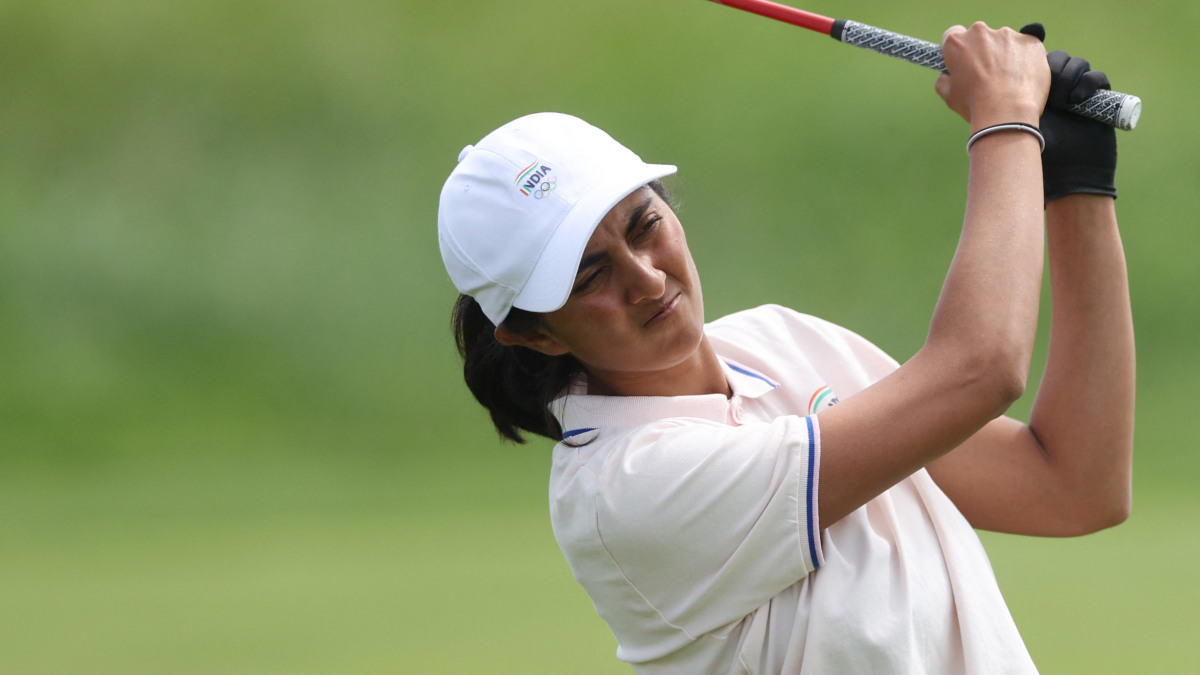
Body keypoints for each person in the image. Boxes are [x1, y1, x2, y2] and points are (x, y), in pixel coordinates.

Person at [437, 22, 1134, 674]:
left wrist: (1077, 185)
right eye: (591, 274)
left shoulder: (781, 341)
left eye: (645, 223)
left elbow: (1070, 486)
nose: (646, 278)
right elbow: (978, 368)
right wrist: (1007, 123)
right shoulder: (627, 490)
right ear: (534, 332)